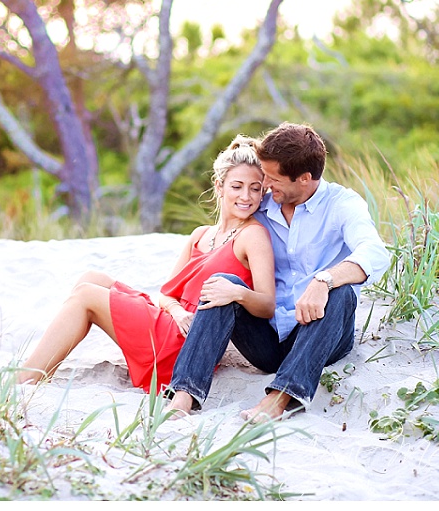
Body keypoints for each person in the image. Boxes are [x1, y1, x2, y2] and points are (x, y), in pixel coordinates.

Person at [166, 122, 391, 421]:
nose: (266, 185)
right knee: (225, 284)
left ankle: (279, 399)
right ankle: (183, 396)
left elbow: (376, 252)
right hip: (268, 340)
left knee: (341, 292)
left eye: (273, 178)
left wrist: (324, 280)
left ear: (304, 178)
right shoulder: (264, 205)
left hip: (322, 334)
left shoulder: (342, 205)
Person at [17, 136, 276, 393]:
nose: (246, 196)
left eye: (255, 188)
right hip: (173, 320)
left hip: (187, 343)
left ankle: (24, 380)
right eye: (237, 186)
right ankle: (43, 372)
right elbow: (166, 295)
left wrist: (238, 293)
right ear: (219, 187)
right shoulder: (200, 234)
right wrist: (177, 312)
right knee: (91, 278)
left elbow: (266, 305)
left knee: (86, 296)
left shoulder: (253, 235)